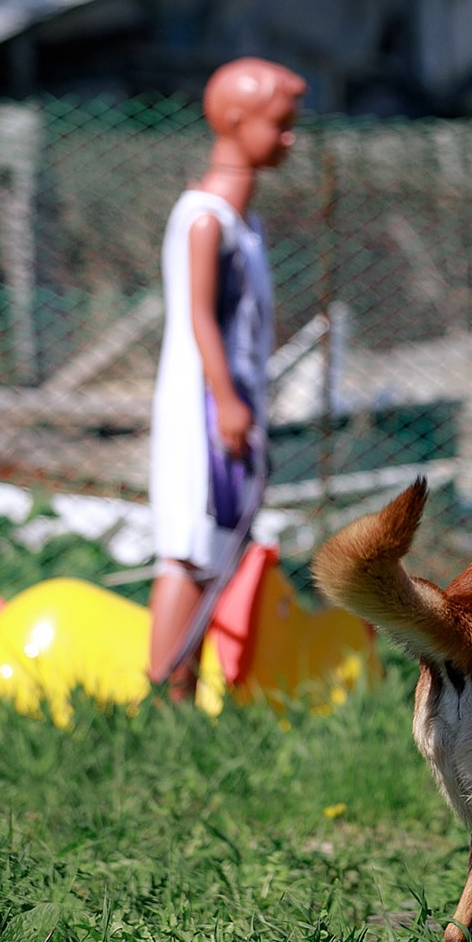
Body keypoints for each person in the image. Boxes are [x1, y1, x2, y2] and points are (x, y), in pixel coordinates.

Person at [146, 58, 306, 700]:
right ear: (237, 123)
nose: (291, 139)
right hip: (203, 411)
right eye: (280, 125)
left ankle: (184, 686)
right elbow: (198, 317)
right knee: (189, 547)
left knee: (218, 548)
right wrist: (225, 400)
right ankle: (162, 689)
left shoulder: (246, 223)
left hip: (235, 404)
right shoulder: (204, 218)